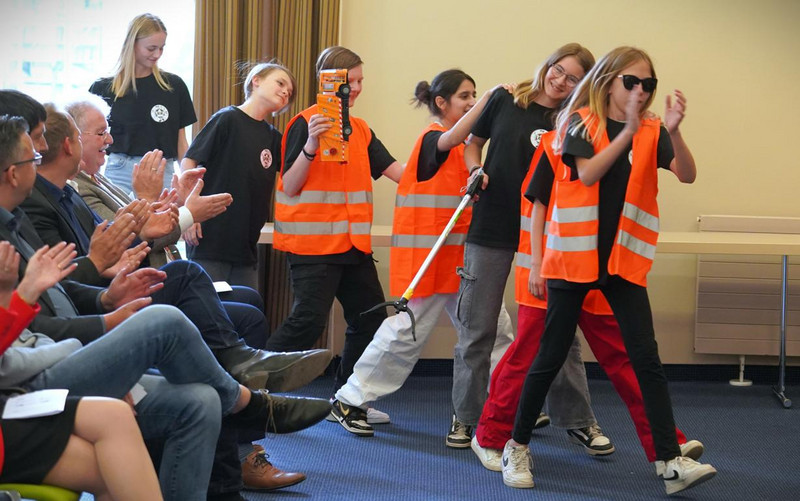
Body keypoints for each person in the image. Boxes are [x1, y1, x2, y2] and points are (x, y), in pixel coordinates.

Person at [502, 46, 717, 496]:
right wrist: (627, 134)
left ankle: (669, 460)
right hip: (572, 261)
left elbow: (688, 174)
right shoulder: (580, 121)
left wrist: (674, 133)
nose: (640, 92)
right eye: (631, 82)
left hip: (621, 263)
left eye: (649, 85)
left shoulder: (652, 129)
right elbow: (586, 175)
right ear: (608, 80)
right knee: (548, 357)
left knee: (646, 359)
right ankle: (516, 445)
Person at [15, 102, 331, 392]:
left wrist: (172, 205)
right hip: (109, 295)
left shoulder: (79, 189)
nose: (110, 140)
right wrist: (173, 213)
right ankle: (249, 390)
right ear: (71, 144)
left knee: (242, 299)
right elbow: (99, 258)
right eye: (100, 134)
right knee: (195, 282)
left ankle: (248, 386)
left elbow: (129, 238)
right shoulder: (64, 194)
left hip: (117, 285)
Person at [471, 128, 703, 473]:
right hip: (551, 270)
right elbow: (537, 204)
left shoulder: (633, 137)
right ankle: (491, 436)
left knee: (625, 358)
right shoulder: (557, 140)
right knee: (528, 357)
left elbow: (679, 177)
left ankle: (666, 442)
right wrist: (537, 265)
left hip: (602, 272)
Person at [330, 69, 516, 438]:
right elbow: (451, 137)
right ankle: (350, 400)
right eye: (465, 96)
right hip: (429, 261)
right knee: (404, 335)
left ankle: (507, 400)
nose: (470, 102)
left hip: (462, 262)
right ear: (442, 103)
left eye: (474, 95)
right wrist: (490, 98)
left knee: (495, 332)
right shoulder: (433, 140)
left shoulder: (468, 150)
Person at [449, 43, 611, 450]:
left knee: (558, 333)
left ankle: (578, 419)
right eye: (559, 70)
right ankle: (466, 418)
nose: (561, 81)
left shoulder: (575, 119)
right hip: (492, 227)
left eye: (574, 78)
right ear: (548, 65)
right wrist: (475, 169)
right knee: (477, 329)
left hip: (545, 236)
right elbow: (472, 143)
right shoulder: (505, 98)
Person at [269, 46, 403, 402]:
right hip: (313, 248)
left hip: (353, 247)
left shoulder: (360, 130)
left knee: (370, 319)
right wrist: (312, 143)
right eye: (351, 80)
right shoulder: (304, 123)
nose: (357, 88)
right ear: (332, 82)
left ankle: (346, 397)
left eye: (361, 80)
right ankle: (249, 393)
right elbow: (291, 185)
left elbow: (398, 173)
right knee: (307, 324)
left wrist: (446, 177)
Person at [0, 240, 165, 500]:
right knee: (162, 321)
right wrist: (22, 295)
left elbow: (30, 336)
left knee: (117, 421)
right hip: (12, 405)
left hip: (14, 399)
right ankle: (246, 404)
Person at [180, 61, 296, 290]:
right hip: (211, 243)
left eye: (289, 92)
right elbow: (189, 161)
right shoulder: (227, 119)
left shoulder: (274, 138)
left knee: (247, 316)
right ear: (257, 80)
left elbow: (294, 179)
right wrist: (188, 213)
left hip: (245, 249)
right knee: (210, 314)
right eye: (280, 83)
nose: (285, 92)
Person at [89, 13, 196, 194]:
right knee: (120, 221)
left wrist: (189, 184)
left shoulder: (174, 86)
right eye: (151, 48)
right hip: (118, 171)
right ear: (133, 45)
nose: (157, 54)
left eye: (162, 48)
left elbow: (181, 143)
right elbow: (89, 142)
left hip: (162, 171)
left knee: (163, 221)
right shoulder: (103, 89)